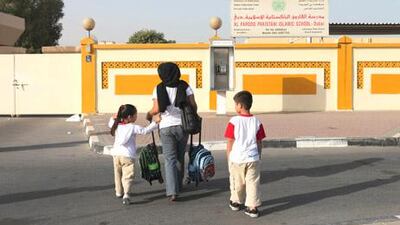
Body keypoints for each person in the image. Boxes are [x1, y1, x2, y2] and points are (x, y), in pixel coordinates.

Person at [146, 62, 197, 201]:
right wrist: (193, 115)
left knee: (169, 159)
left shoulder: (158, 88)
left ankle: (172, 191)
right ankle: (178, 185)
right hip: (182, 126)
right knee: (180, 156)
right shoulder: (184, 86)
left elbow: (156, 109)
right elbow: (193, 104)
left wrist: (148, 114)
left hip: (165, 127)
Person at [224, 90, 266, 218]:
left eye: (236, 104)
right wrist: (258, 154)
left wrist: (229, 156)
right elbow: (259, 141)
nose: (235, 107)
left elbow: (230, 141)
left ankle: (236, 202)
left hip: (237, 158)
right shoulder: (257, 121)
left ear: (240, 106)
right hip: (253, 158)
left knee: (237, 181)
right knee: (253, 182)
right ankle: (252, 207)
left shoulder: (234, 121)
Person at [108, 104, 160, 205]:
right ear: (129, 117)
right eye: (135, 115)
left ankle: (119, 192)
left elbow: (110, 122)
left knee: (117, 173)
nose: (136, 116)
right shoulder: (132, 127)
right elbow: (145, 131)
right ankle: (126, 194)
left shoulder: (116, 124)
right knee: (127, 175)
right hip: (127, 155)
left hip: (116, 154)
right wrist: (155, 122)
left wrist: (113, 117)